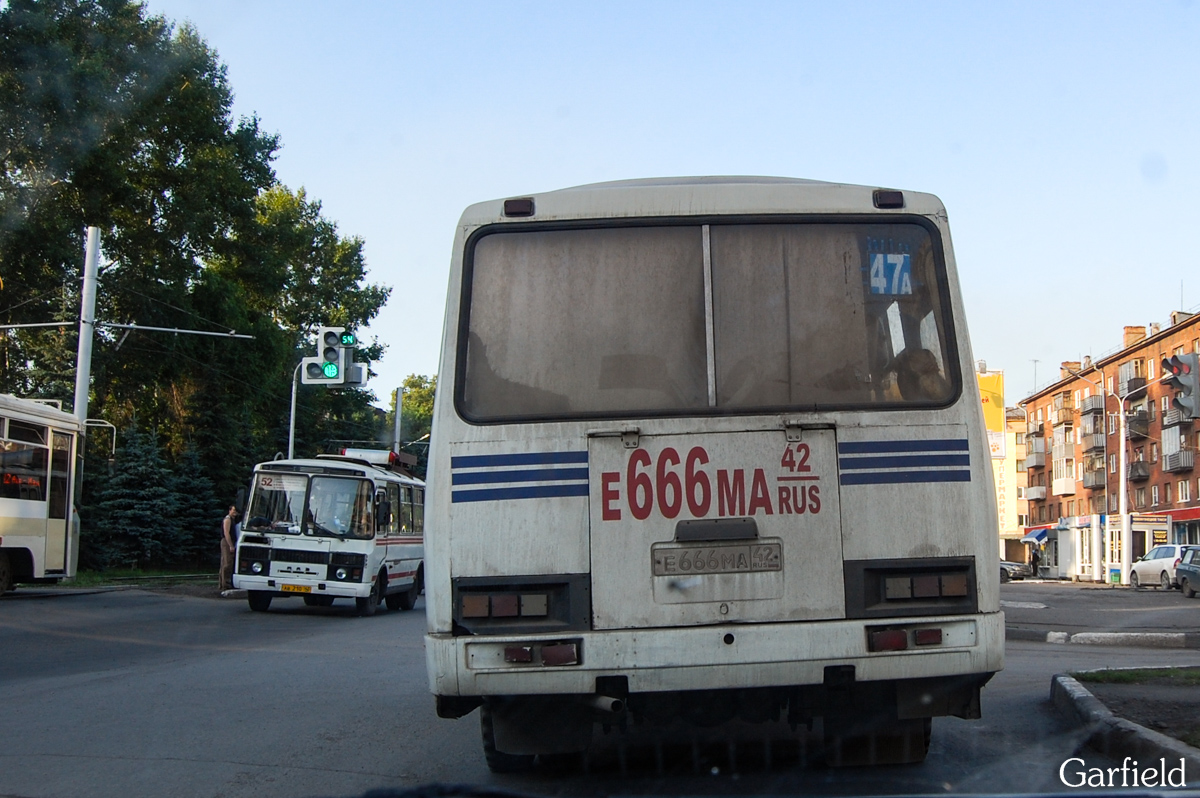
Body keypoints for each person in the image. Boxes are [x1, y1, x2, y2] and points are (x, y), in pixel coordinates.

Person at [219, 505, 240, 595]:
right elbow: (226, 533)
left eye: (236, 511)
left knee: (224, 562)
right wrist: (231, 545)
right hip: (227, 542)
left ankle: (222, 583)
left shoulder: (233, 520)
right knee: (227, 563)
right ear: (229, 510)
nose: (235, 512)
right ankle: (225, 583)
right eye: (233, 510)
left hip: (230, 542)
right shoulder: (227, 519)